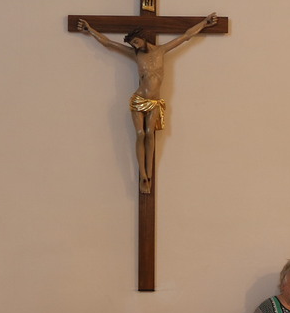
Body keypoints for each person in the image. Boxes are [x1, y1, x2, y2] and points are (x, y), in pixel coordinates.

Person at [77, 13, 218, 193]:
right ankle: (142, 173)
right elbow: (109, 43)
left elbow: (186, 36)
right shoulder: (135, 55)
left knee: (150, 134)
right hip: (139, 99)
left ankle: (148, 174)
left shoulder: (161, 51)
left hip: (154, 101)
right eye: (133, 44)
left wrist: (204, 23)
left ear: (143, 38)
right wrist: (90, 30)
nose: (135, 46)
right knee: (140, 133)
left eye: (136, 42)